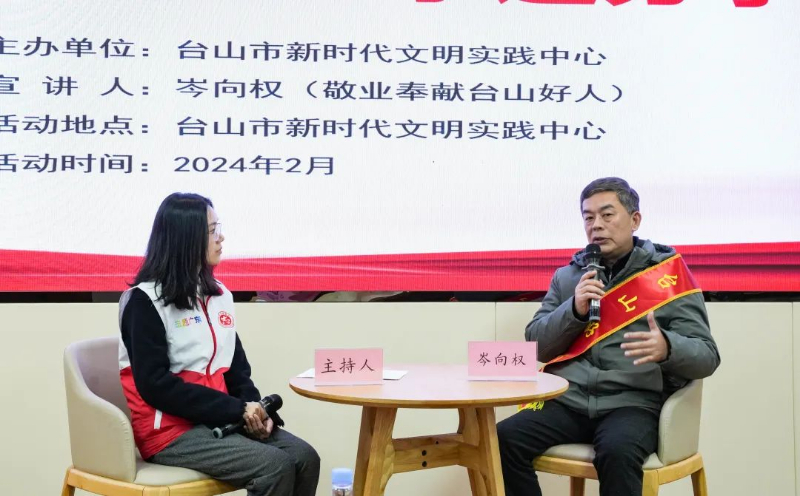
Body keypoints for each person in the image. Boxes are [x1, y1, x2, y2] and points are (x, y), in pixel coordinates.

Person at [497, 177, 721, 496]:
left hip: (632, 404)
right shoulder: (569, 276)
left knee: (617, 452)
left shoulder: (667, 276)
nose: (596, 225)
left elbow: (707, 356)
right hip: (569, 401)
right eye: (588, 217)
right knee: (503, 440)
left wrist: (668, 347)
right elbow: (538, 346)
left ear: (634, 220)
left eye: (607, 215)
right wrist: (574, 310)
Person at [118, 192, 320, 496]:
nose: (221, 238)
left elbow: (237, 371)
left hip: (220, 419)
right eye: (213, 231)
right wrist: (238, 410)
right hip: (170, 432)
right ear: (187, 239)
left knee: (305, 458)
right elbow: (155, 386)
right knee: (274, 465)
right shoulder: (144, 301)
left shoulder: (219, 295)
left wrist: (257, 411)